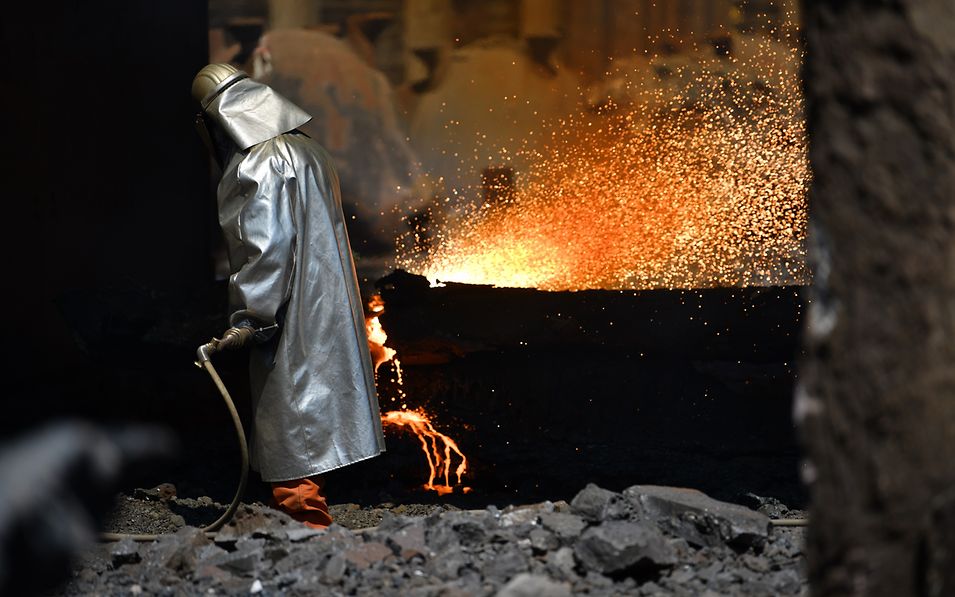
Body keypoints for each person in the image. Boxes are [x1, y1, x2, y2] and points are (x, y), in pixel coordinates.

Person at [191, 64, 386, 529]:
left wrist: (249, 317)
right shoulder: (308, 150)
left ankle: (306, 522)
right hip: (325, 299)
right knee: (310, 404)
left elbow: (266, 248)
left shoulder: (258, 160)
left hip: (287, 307)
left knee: (289, 407)